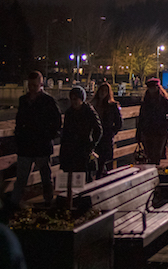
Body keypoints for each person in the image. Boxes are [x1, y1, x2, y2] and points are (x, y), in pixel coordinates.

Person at [12, 71, 62, 207]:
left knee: (45, 177)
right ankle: (14, 204)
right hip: (27, 145)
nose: (32, 88)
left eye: (34, 85)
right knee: (23, 178)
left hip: (40, 144)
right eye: (30, 85)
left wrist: (47, 135)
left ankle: (48, 202)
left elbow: (57, 122)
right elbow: (19, 120)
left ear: (40, 84)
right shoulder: (25, 100)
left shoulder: (47, 101)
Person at [60, 87, 103, 182]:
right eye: (72, 99)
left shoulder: (89, 111)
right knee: (72, 178)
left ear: (81, 99)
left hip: (83, 148)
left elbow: (98, 130)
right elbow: (66, 133)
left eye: (76, 99)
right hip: (71, 149)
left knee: (85, 177)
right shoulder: (69, 113)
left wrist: (91, 146)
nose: (73, 101)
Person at [137, 78, 168, 164]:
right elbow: (141, 117)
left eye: (154, 87)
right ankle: (152, 172)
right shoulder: (145, 101)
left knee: (156, 154)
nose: (152, 89)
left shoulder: (163, 100)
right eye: (150, 87)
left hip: (160, 132)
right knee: (149, 154)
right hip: (147, 131)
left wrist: (166, 126)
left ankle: (154, 171)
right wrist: (139, 132)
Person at [90, 82, 123, 179]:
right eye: (101, 90)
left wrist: (112, 132)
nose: (103, 93)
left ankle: (102, 179)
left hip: (106, 137)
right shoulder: (92, 105)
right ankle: (97, 179)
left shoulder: (112, 106)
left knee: (104, 160)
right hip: (94, 137)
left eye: (105, 91)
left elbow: (119, 122)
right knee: (95, 160)